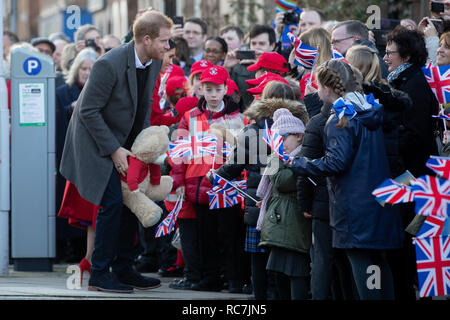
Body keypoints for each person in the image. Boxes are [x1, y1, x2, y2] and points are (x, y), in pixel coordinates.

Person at [59, 10, 173, 293]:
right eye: (165, 41)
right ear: (147, 39)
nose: (168, 47)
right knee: (111, 202)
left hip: (125, 144)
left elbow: (142, 108)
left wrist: (140, 150)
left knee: (131, 197)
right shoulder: (108, 64)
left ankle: (123, 268)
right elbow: (87, 111)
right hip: (93, 142)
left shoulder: (153, 62)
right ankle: (99, 273)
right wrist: (114, 150)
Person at [290, 59, 403, 300]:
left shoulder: (340, 118)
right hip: (378, 202)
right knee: (378, 265)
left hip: (355, 206)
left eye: (318, 86)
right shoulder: (368, 110)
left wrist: (301, 163)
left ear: (326, 88)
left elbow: (336, 162)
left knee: (365, 269)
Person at [216, 81, 309, 299]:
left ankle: (260, 297)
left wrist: (217, 175)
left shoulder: (254, 129)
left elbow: (234, 165)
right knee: (284, 259)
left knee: (258, 259)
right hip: (291, 205)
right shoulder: (300, 127)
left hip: (259, 202)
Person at [170, 66, 245, 292]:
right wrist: (179, 182)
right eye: (208, 89)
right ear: (201, 89)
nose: (212, 94)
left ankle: (233, 278)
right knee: (206, 236)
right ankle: (210, 277)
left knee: (230, 236)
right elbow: (178, 153)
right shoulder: (190, 117)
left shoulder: (238, 118)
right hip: (198, 185)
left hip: (226, 186)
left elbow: (243, 152)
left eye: (217, 89)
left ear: (226, 90)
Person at [384, 26, 439, 300]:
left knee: (407, 237)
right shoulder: (399, 81)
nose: (384, 58)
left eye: (389, 52)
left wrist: (384, 148)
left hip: (412, 174)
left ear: (405, 55)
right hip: (404, 172)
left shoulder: (414, 84)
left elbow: (415, 134)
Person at [257, 108, 311, 300]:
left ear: (298, 136)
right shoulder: (281, 157)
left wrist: (273, 157)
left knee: (296, 273)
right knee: (279, 275)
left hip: (294, 225)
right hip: (282, 224)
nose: (279, 144)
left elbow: (283, 182)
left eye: (283, 138)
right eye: (276, 139)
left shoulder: (302, 155)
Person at [227, 25, 277, 109]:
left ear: (272, 45)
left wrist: (263, 66)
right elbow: (230, 99)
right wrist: (226, 68)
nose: (256, 47)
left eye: (261, 43)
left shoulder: (280, 65)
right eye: (253, 43)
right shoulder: (239, 68)